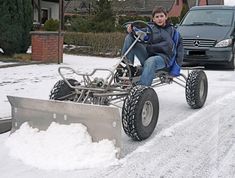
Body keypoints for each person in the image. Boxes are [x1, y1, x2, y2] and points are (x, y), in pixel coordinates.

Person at [121, 6, 183, 86]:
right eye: (157, 17)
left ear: (166, 17)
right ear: (153, 19)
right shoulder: (150, 29)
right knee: (130, 37)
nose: (159, 19)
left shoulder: (174, 32)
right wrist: (130, 28)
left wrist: (174, 71)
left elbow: (180, 52)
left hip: (164, 59)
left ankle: (142, 89)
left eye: (161, 16)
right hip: (148, 56)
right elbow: (138, 32)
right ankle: (127, 68)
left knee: (151, 61)